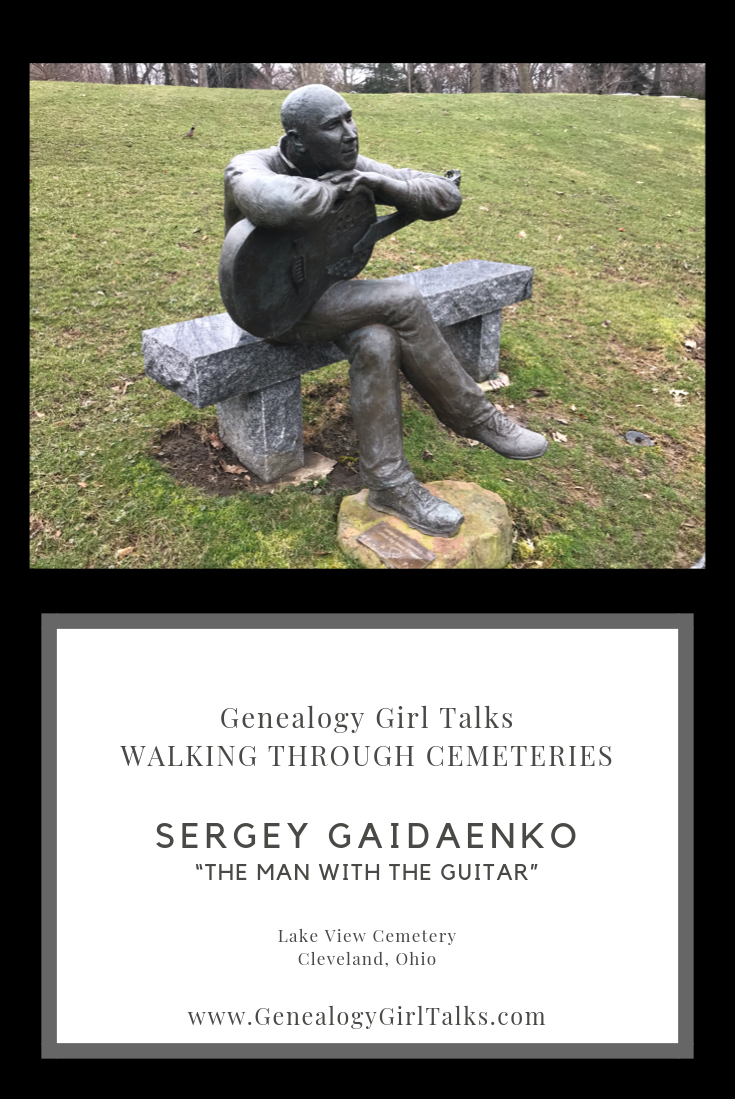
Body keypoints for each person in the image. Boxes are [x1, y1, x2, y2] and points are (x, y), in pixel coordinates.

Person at [223, 85, 547, 537]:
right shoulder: (250, 166)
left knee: (377, 341)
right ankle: (476, 418)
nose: (350, 134)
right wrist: (336, 190)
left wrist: (380, 184)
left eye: (350, 118)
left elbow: (442, 195)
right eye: (333, 126)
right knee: (401, 298)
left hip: (329, 296)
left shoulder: (355, 168)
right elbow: (280, 202)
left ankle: (389, 484)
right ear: (296, 141)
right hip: (272, 312)